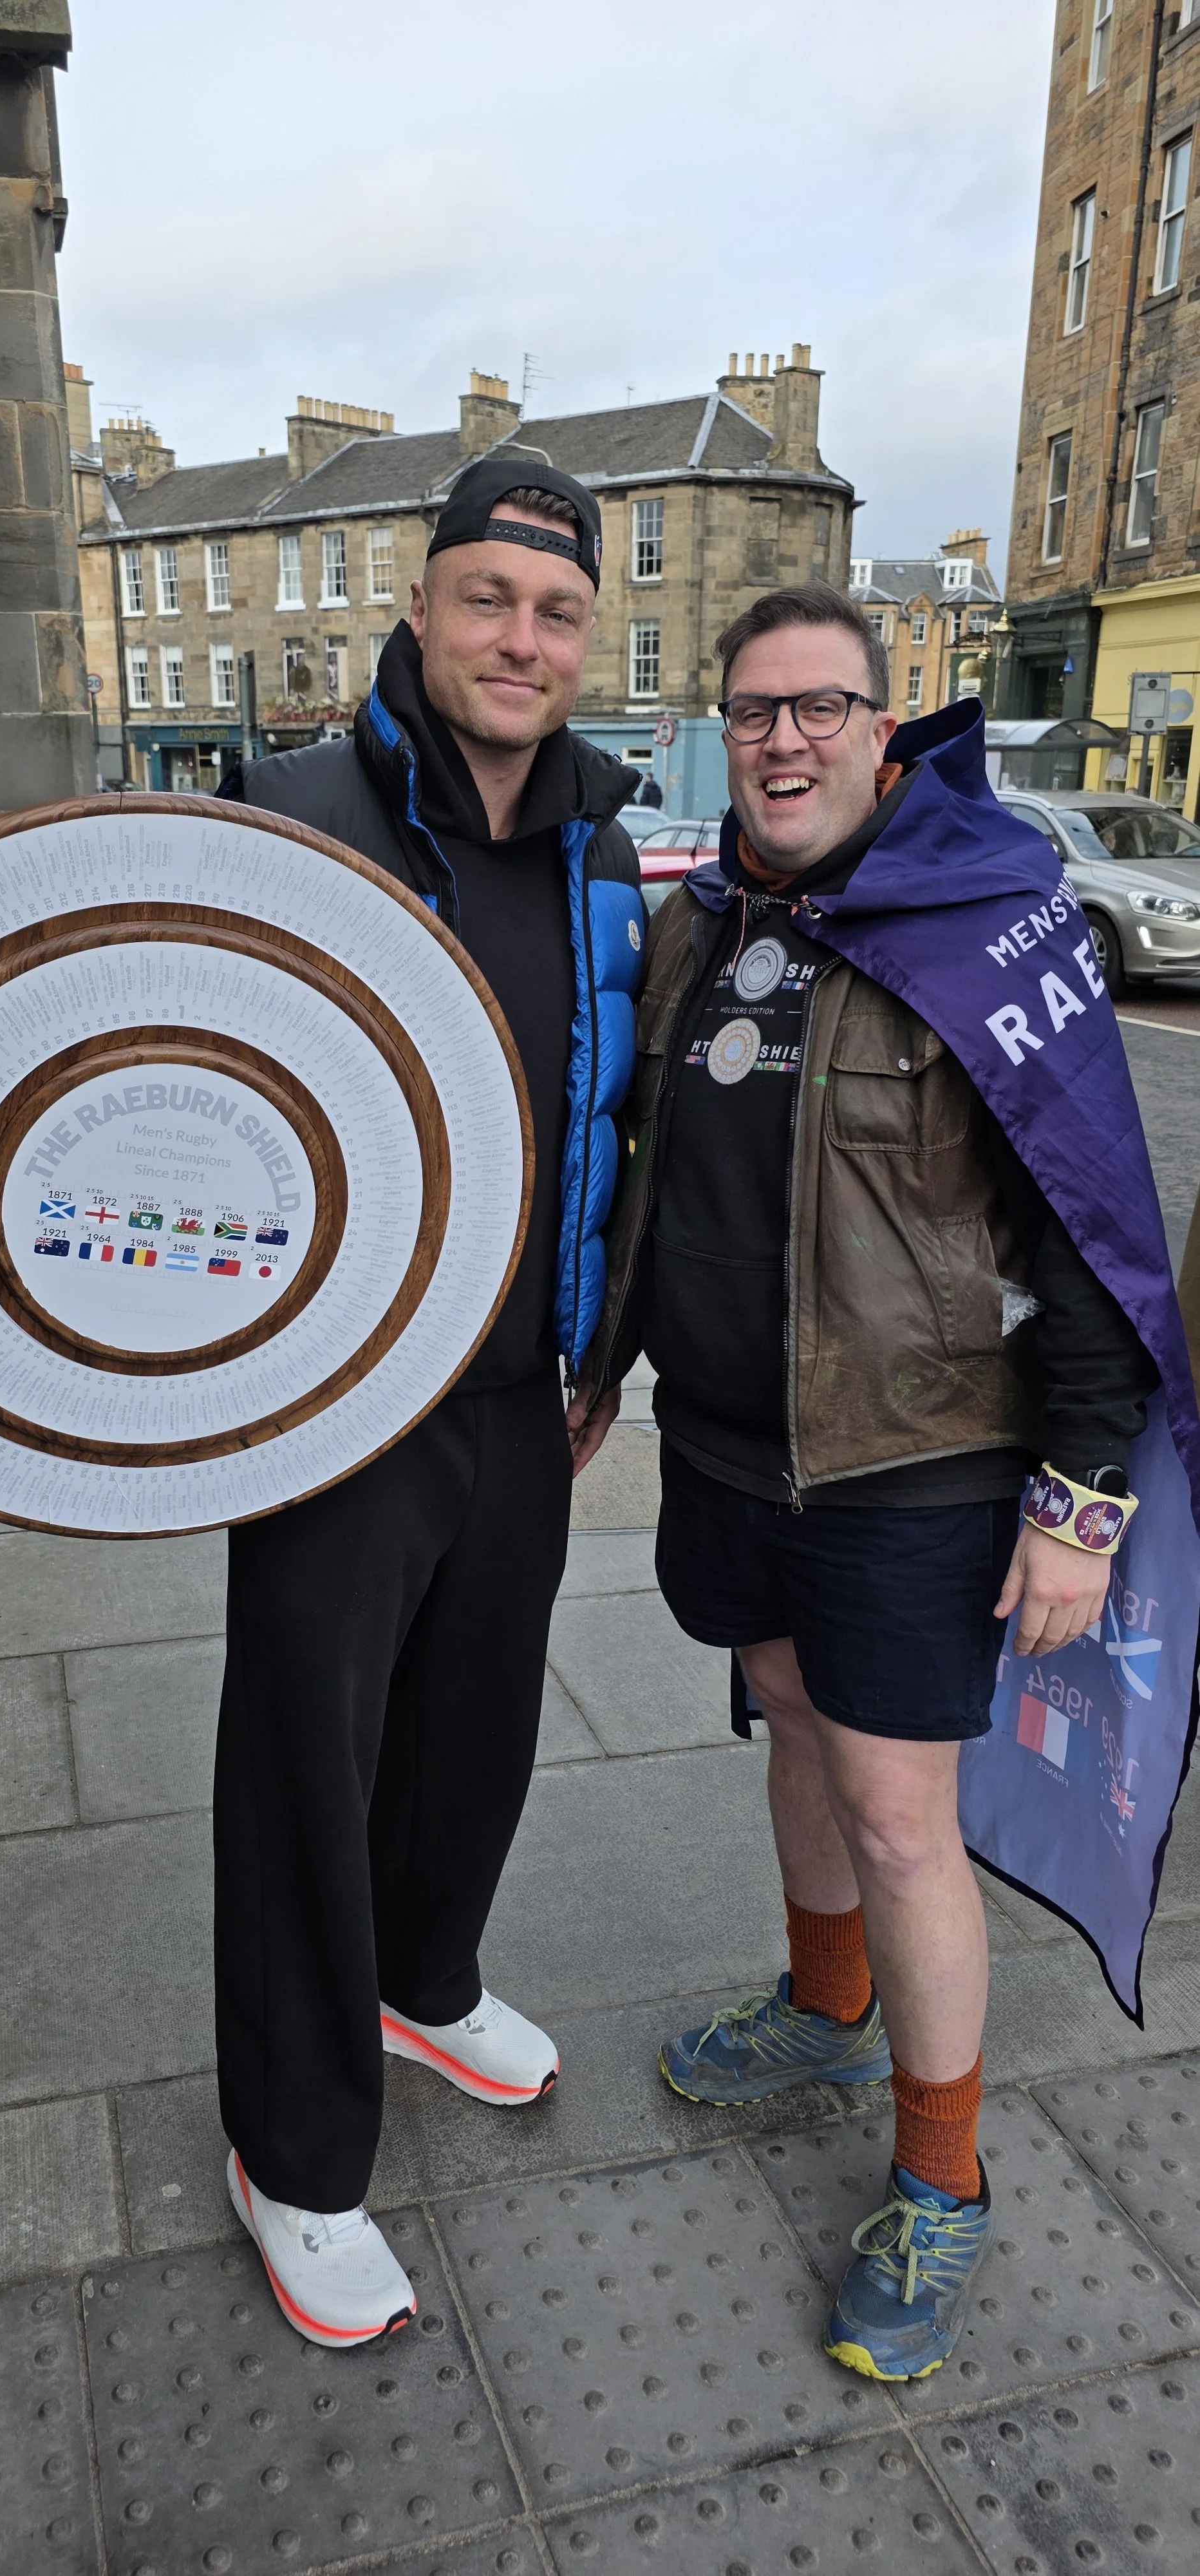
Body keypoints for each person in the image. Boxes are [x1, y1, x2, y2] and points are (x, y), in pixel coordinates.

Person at [569, 580, 1159, 2383]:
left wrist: (1078, 1494)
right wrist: (599, 1375)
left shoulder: (989, 920)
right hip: (733, 1451)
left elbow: (1089, 1222)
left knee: (905, 1816)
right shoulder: (704, 930)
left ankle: (940, 2173)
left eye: (819, 706)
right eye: (753, 710)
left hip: (914, 1457)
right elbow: (640, 1167)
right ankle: (825, 2003)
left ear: (886, 726)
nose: (783, 738)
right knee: (791, 1726)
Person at [214, 455, 643, 2345]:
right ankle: (294, 2158)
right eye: (486, 599)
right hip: (329, 1409)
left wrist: (597, 1349)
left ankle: (426, 1978)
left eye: (554, 613)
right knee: (306, 1766)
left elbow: (613, 1113)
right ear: (419, 605)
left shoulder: (609, 845)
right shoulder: (289, 810)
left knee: (475, 1733)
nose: (520, 640)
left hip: (518, 1394)